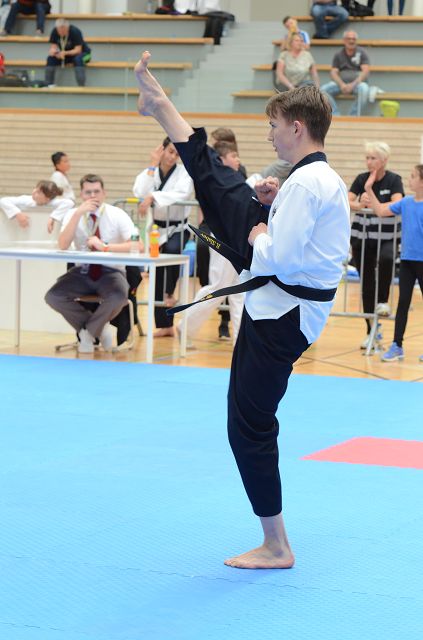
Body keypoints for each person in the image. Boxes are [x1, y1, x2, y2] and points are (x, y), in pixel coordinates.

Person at [134, 51, 351, 569]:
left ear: (297, 127)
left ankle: (277, 546)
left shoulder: (308, 183)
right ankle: (162, 107)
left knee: (249, 426)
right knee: (225, 185)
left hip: (284, 313)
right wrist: (273, 206)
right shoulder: (314, 179)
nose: (270, 136)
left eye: (274, 126)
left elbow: (285, 259)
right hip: (282, 306)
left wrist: (258, 234)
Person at [45, 174, 141, 354]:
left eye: (96, 191)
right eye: (88, 192)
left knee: (119, 297)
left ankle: (88, 333)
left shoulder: (116, 214)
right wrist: (78, 214)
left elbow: (138, 245)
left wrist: (106, 247)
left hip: (111, 271)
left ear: (104, 193)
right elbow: (63, 245)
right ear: (81, 194)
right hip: (82, 272)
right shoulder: (73, 214)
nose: (93, 196)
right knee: (53, 296)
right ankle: (99, 329)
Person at [180, 140, 245, 346]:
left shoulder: (236, 177)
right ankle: (185, 326)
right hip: (223, 237)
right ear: (221, 160)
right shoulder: (217, 181)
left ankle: (241, 341)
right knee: (219, 287)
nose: (238, 160)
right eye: (233, 156)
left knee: (239, 290)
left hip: (237, 237)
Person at [132, 136, 193, 337]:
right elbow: (140, 192)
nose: (172, 156)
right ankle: (164, 325)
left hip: (178, 227)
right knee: (157, 272)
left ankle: (169, 293)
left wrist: (153, 196)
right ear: (162, 150)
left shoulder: (184, 173)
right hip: (157, 229)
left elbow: (182, 194)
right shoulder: (150, 172)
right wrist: (152, 165)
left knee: (173, 251)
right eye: (170, 151)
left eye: (177, 153)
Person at [364, 165, 423, 362]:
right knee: (402, 303)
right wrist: (369, 189)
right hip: (407, 261)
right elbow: (381, 210)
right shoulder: (406, 202)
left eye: (413, 176)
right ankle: (397, 345)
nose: (409, 179)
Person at [348, 141, 404, 349]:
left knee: (387, 258)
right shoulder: (361, 178)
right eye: (367, 158)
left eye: (373, 158)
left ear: (384, 160)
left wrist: (377, 205)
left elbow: (397, 203)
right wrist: (360, 204)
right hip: (362, 236)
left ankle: (383, 301)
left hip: (387, 236)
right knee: (367, 282)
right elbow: (347, 201)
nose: (369, 162)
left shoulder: (394, 180)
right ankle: (371, 331)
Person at [320, 30, 370, 116]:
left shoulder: (362, 53)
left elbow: (365, 71)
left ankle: (353, 116)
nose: (351, 41)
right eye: (349, 39)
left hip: (357, 84)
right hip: (340, 84)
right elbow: (333, 72)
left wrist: (353, 85)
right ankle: (336, 114)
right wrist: (342, 84)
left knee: (365, 90)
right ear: (344, 40)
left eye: (353, 39)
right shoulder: (338, 54)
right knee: (322, 90)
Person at [0, 180, 72, 228]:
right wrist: (17, 213)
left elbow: (69, 203)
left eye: (39, 192)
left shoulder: (52, 202)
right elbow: (3, 201)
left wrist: (52, 218)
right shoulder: (27, 199)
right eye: (35, 188)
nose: (34, 191)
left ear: (47, 198)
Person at [45, 18, 91, 88]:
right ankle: (49, 84)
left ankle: (81, 86)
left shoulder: (75, 31)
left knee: (78, 59)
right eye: (59, 30)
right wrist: (54, 53)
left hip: (84, 54)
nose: (61, 33)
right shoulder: (54, 31)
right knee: (50, 59)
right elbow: (53, 47)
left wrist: (65, 53)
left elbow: (78, 50)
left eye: (63, 30)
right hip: (66, 55)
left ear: (68, 28)